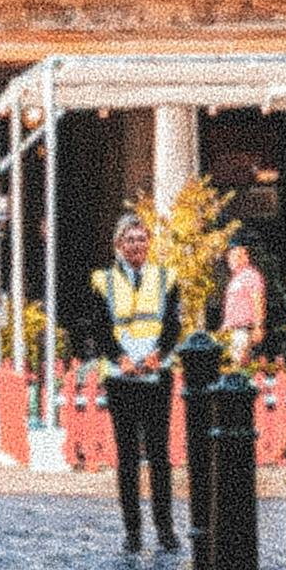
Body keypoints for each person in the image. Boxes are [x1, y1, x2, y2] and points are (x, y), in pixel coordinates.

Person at [91, 212, 180, 552]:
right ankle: (133, 532)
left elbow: (173, 323)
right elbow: (98, 327)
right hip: (122, 377)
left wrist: (160, 354)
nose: (136, 245)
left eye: (141, 239)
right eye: (129, 239)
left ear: (149, 243)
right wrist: (119, 358)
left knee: (159, 456)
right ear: (118, 245)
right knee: (127, 457)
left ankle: (165, 529)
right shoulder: (103, 281)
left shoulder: (165, 277)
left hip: (157, 375)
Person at [219, 240, 270, 364]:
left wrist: (258, 327)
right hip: (233, 330)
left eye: (236, 256)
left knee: (241, 364)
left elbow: (258, 300)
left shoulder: (251, 275)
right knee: (234, 363)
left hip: (244, 329)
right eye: (230, 257)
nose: (231, 260)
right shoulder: (236, 278)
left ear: (245, 258)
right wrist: (225, 326)